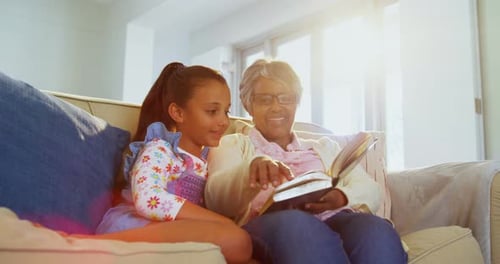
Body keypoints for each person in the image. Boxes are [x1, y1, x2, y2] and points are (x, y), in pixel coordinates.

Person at [204, 59, 407, 263]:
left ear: (296, 102)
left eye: (285, 98)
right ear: (248, 104)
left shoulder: (324, 147)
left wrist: (341, 196)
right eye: (265, 100)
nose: (276, 107)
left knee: (375, 228)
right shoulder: (232, 143)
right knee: (298, 224)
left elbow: (370, 188)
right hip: (271, 225)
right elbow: (215, 197)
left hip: (334, 218)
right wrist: (250, 171)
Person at [93, 62, 252, 264]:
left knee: (239, 243)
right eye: (212, 111)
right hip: (137, 227)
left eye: (226, 112)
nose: (224, 121)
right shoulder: (159, 149)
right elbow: (148, 198)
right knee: (236, 239)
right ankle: (101, 245)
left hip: (175, 234)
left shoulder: (206, 162)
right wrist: (219, 222)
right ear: (178, 113)